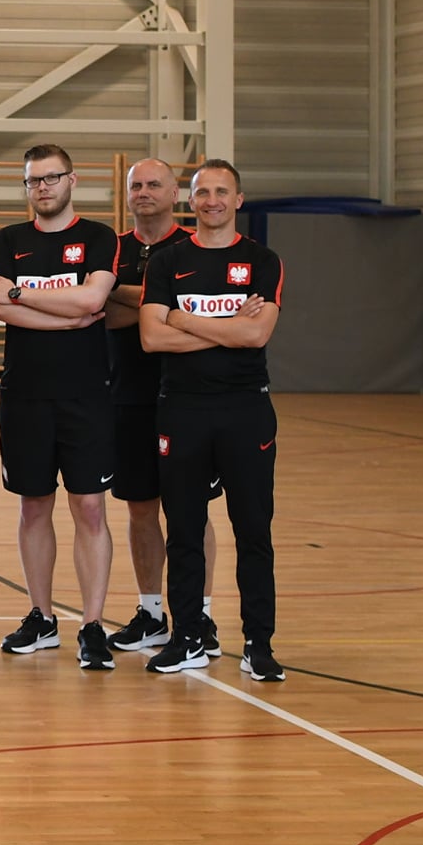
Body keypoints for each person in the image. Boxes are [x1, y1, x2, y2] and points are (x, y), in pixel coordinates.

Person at [140, 160, 286, 682]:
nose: (212, 200)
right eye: (203, 192)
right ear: (191, 200)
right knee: (182, 529)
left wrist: (182, 316)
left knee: (253, 531)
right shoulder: (167, 262)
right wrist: (226, 325)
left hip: (246, 408)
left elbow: (256, 337)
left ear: (238, 200)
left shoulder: (263, 260)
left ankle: (258, 644)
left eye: (222, 192)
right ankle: (187, 639)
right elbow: (152, 338)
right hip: (181, 408)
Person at [0, 144, 119, 670]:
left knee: (89, 507)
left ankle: (91, 624)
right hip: (25, 396)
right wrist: (61, 315)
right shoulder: (9, 241)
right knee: (32, 506)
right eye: (33, 180)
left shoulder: (98, 237)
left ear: (72, 181)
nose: (42, 187)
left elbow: (92, 301)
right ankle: (41, 616)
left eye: (51, 178)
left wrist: (23, 297)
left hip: (86, 395)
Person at [104, 158, 217, 654]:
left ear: (176, 193)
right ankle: (152, 614)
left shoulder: (194, 249)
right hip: (126, 398)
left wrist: (138, 304)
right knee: (141, 508)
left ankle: (201, 617)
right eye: (137, 185)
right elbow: (100, 311)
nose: (144, 192)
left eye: (154, 184)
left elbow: (199, 315)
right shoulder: (113, 249)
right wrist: (161, 306)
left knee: (193, 510)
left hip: (190, 397)